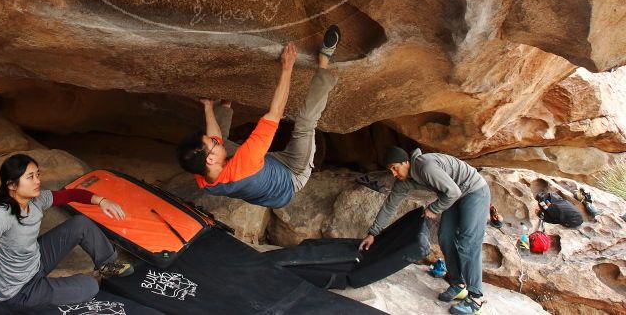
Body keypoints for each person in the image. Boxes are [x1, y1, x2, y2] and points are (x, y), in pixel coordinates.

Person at [175, 25, 341, 208]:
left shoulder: (202, 175)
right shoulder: (244, 162)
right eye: (212, 144)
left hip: (262, 172)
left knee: (224, 142)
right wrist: (287, 68)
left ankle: (226, 102)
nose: (215, 140)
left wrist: (207, 107)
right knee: (305, 123)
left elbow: (216, 139)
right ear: (210, 160)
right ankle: (324, 61)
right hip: (292, 174)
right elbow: (275, 113)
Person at [0, 154, 133, 314]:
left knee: (81, 223)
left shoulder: (37, 200)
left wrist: (102, 201)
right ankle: (71, 285)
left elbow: (70, 195)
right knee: (90, 286)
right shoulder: (1, 216)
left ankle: (107, 264)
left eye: (37, 174)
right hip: (20, 291)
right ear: (12, 185)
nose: (37, 181)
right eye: (30, 177)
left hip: (35, 261)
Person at [359, 146, 490, 315]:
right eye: (389, 170)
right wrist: (373, 233)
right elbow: (390, 205)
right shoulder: (403, 181)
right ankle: (458, 284)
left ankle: (476, 297)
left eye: (395, 168)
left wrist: (433, 208)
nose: (393, 173)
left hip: (473, 191)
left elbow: (453, 192)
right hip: (454, 196)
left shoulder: (425, 166)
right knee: (445, 237)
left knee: (468, 242)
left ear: (406, 163)